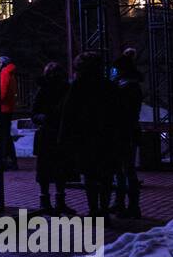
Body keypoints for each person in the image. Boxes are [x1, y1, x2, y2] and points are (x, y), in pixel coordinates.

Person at [58, 52, 120, 217]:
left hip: (84, 138)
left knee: (90, 176)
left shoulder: (78, 87)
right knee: (106, 177)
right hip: (107, 138)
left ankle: (94, 210)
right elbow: (119, 114)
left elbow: (68, 115)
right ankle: (104, 210)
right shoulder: (109, 87)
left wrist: (64, 139)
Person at [30, 61, 70, 212]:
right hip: (51, 132)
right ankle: (49, 201)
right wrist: (45, 118)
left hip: (52, 132)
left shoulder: (63, 89)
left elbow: (34, 113)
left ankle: (50, 201)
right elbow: (34, 113)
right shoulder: (46, 90)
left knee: (57, 168)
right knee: (49, 168)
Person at [111, 50, 144, 219]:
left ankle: (130, 205)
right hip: (126, 131)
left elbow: (121, 111)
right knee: (122, 170)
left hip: (125, 132)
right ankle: (121, 202)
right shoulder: (129, 86)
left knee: (126, 170)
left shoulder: (128, 88)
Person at [0, 55, 19, 169]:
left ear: (3, 63)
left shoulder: (4, 73)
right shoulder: (10, 74)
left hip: (2, 109)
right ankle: (11, 160)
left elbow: (2, 92)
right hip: (7, 108)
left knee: (3, 136)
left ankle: (4, 161)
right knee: (6, 136)